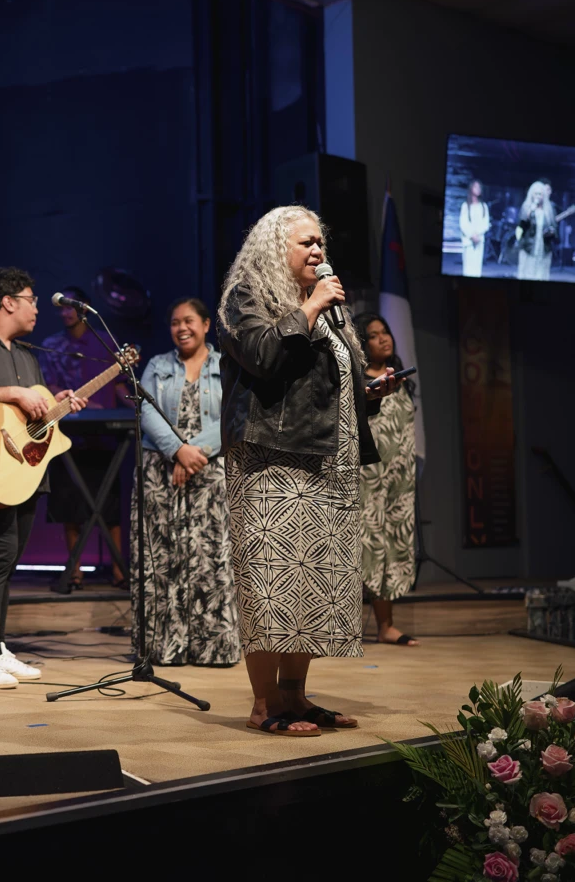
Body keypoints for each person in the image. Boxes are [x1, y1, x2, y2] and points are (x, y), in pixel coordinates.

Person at [218, 206, 401, 737]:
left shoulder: (328, 308)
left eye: (321, 242)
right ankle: (264, 703)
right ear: (276, 246)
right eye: (306, 243)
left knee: (311, 584)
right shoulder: (246, 297)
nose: (318, 251)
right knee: (272, 583)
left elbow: (327, 383)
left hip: (326, 461)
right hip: (271, 463)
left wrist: (369, 392)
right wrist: (311, 306)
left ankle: (296, 697)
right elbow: (262, 357)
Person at [0, 267, 88, 688]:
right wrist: (12, 392)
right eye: (31, 299)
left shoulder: (25, 353)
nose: (37, 308)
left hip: (23, 468)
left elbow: (31, 416)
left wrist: (56, 404)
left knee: (9, 559)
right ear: (8, 302)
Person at [132, 297, 241, 666]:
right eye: (175, 322)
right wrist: (177, 451)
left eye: (189, 321)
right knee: (163, 557)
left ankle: (214, 648)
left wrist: (195, 452)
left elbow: (234, 414)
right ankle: (165, 647)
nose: (181, 328)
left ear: (206, 324)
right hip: (161, 470)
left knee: (209, 556)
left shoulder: (226, 364)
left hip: (209, 470)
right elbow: (146, 410)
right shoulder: (158, 365)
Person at [40, 285, 130, 589]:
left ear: (84, 308)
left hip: (103, 437)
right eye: (62, 308)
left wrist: (135, 406)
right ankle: (75, 571)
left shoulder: (105, 342)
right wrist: (76, 403)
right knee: (70, 504)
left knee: (110, 505)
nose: (66, 312)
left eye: (71, 306)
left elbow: (119, 385)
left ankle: (119, 571)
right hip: (66, 433)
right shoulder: (52, 345)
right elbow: (48, 387)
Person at [353, 313, 419, 646]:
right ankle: (351, 626)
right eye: (374, 335)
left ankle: (386, 625)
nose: (383, 338)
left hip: (399, 481)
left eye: (386, 332)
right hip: (368, 479)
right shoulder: (359, 382)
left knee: (394, 544)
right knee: (369, 546)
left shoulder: (400, 380)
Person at [515, 180, 556, 281]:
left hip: (543, 249)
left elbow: (555, 229)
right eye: (536, 193)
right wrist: (529, 212)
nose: (538, 196)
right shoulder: (526, 208)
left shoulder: (549, 210)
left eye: (540, 194)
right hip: (528, 248)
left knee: (541, 274)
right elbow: (521, 226)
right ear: (531, 194)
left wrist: (551, 232)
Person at [459, 180, 490, 278]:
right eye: (476, 187)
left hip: (479, 240)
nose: (478, 189)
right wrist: (471, 235)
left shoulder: (484, 206)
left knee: (477, 268)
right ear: (471, 188)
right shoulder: (465, 206)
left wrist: (477, 234)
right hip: (468, 241)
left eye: (479, 187)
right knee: (468, 268)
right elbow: (463, 224)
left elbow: (485, 224)